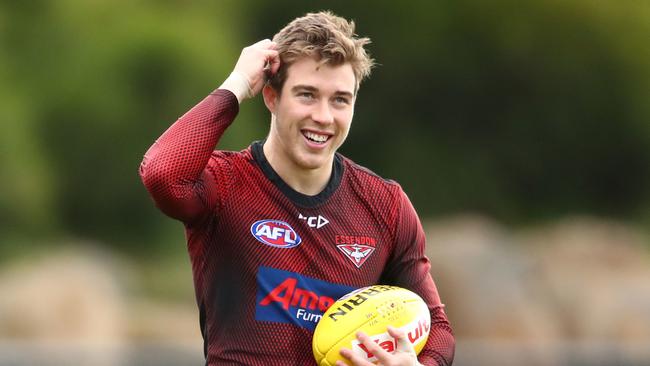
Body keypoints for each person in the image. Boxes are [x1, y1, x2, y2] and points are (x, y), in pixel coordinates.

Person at [139, 11, 455, 366]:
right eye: (307, 95)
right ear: (271, 97)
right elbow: (162, 174)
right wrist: (238, 83)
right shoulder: (225, 185)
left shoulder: (385, 205)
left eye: (340, 99)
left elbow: (438, 328)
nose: (323, 116)